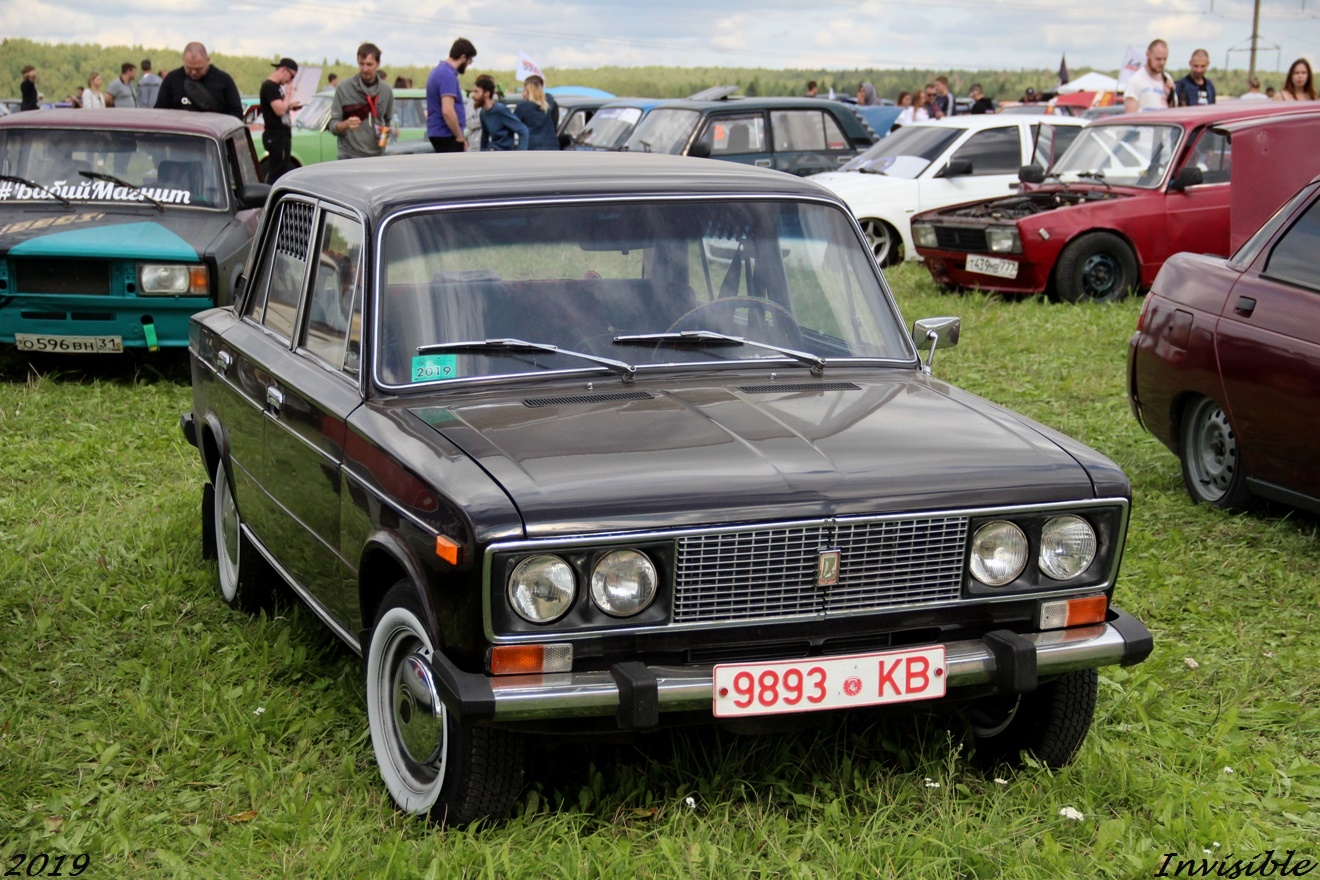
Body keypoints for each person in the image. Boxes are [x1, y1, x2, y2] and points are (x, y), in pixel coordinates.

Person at [330, 43, 394, 159]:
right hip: (349, 155)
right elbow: (333, 125)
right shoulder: (344, 88)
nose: (365, 69)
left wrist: (383, 143)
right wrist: (346, 124)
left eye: (369, 64)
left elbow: (388, 122)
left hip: (376, 156)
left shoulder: (386, 91)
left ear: (378, 63)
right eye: (361, 64)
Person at [155, 42, 243, 118]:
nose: (193, 72)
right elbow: (159, 112)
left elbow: (237, 115)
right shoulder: (172, 79)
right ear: (183, 61)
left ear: (208, 60)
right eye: (189, 68)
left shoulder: (224, 80)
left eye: (198, 69)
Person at [426, 37, 477, 152]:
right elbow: (447, 110)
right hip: (447, 134)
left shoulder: (438, 71)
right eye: (469, 60)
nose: (469, 64)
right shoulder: (447, 75)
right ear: (463, 57)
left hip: (439, 133)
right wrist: (459, 136)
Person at [261, 58, 303, 183]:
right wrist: (288, 93)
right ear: (284, 70)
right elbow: (279, 110)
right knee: (277, 172)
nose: (290, 81)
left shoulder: (277, 87)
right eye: (291, 76)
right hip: (276, 136)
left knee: (283, 169)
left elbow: (281, 107)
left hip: (283, 135)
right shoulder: (269, 87)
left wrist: (289, 106)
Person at [472, 74, 527, 151]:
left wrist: (520, 153)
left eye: (476, 92)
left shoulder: (500, 110)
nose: (473, 95)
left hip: (504, 153)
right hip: (492, 151)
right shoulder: (483, 113)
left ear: (487, 93)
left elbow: (523, 130)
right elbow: (484, 139)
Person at [1124, 39, 1174, 112]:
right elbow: (1130, 115)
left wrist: (1170, 95)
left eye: (1165, 59)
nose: (1162, 63)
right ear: (1148, 55)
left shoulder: (1167, 79)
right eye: (1158, 59)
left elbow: (1174, 111)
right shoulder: (1135, 81)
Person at [514, 74, 560, 150]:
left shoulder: (523, 107)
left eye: (525, 90)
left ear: (530, 91)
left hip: (530, 148)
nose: (523, 94)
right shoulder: (551, 104)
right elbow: (554, 125)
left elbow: (513, 125)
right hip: (551, 147)